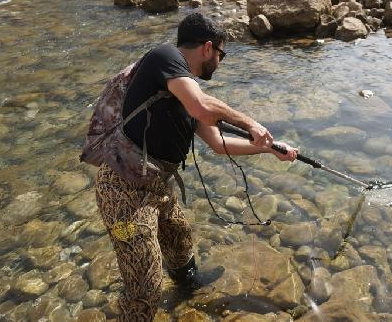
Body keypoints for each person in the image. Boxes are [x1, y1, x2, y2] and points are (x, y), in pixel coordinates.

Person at [95, 12, 298, 322]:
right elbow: (202, 106)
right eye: (221, 54)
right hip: (123, 188)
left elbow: (220, 145)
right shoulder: (164, 57)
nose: (220, 61)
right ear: (208, 48)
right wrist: (250, 122)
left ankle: (188, 294)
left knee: (179, 243)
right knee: (145, 289)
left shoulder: (182, 94)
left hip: (157, 185)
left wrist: (269, 149)